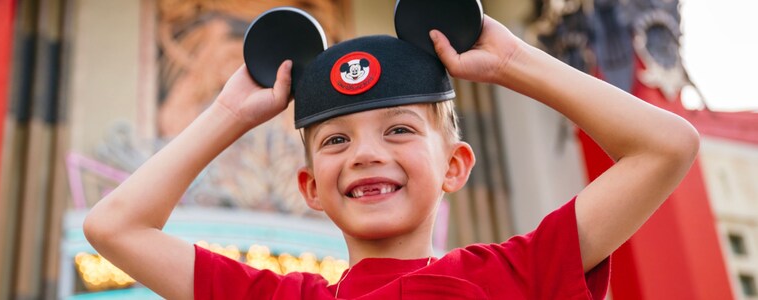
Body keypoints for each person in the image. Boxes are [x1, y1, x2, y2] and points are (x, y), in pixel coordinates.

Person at [83, 15, 699, 299]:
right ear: (310, 188)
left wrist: (512, 63)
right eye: (335, 140)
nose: (365, 155)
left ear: (455, 164)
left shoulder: (518, 275)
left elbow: (666, 147)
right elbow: (113, 227)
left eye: (400, 130)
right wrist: (229, 114)